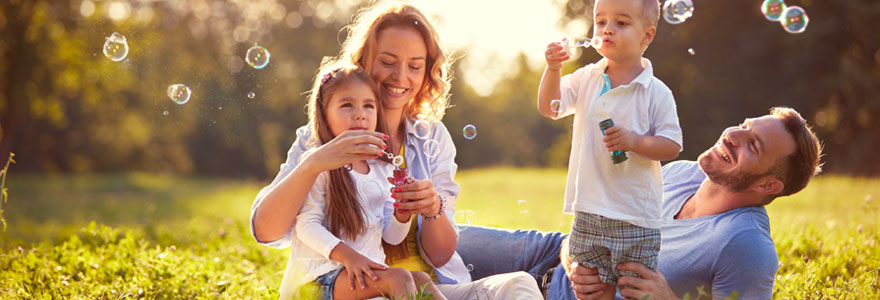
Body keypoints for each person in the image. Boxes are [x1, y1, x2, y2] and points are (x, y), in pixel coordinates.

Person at [249, 2, 541, 299]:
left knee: (519, 284)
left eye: (415, 66)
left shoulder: (431, 139)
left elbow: (437, 255)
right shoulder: (320, 141)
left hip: (428, 285)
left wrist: (432, 209)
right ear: (362, 62)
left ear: (426, 72)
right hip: (353, 286)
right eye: (388, 62)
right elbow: (267, 231)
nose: (401, 77)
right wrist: (312, 164)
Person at [456, 107, 822, 299]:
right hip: (551, 253)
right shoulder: (681, 173)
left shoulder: (746, 245)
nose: (732, 135)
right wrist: (572, 252)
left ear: (768, 184)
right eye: (744, 125)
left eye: (752, 144)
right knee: (433, 237)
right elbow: (597, 221)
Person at [536, 0, 682, 297]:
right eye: (601, 22)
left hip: (635, 217)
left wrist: (635, 142)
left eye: (621, 23)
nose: (607, 30)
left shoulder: (656, 92)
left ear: (647, 36)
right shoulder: (587, 77)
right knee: (589, 288)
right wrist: (553, 69)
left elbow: (671, 145)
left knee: (634, 288)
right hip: (588, 208)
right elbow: (550, 107)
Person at [288, 65, 445, 299]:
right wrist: (348, 256)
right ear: (324, 113)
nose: (360, 114)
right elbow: (305, 226)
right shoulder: (319, 164)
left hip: (362, 275)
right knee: (399, 277)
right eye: (347, 105)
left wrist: (402, 213)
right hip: (317, 280)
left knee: (420, 278)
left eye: (368, 105)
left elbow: (391, 237)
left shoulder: (383, 169)